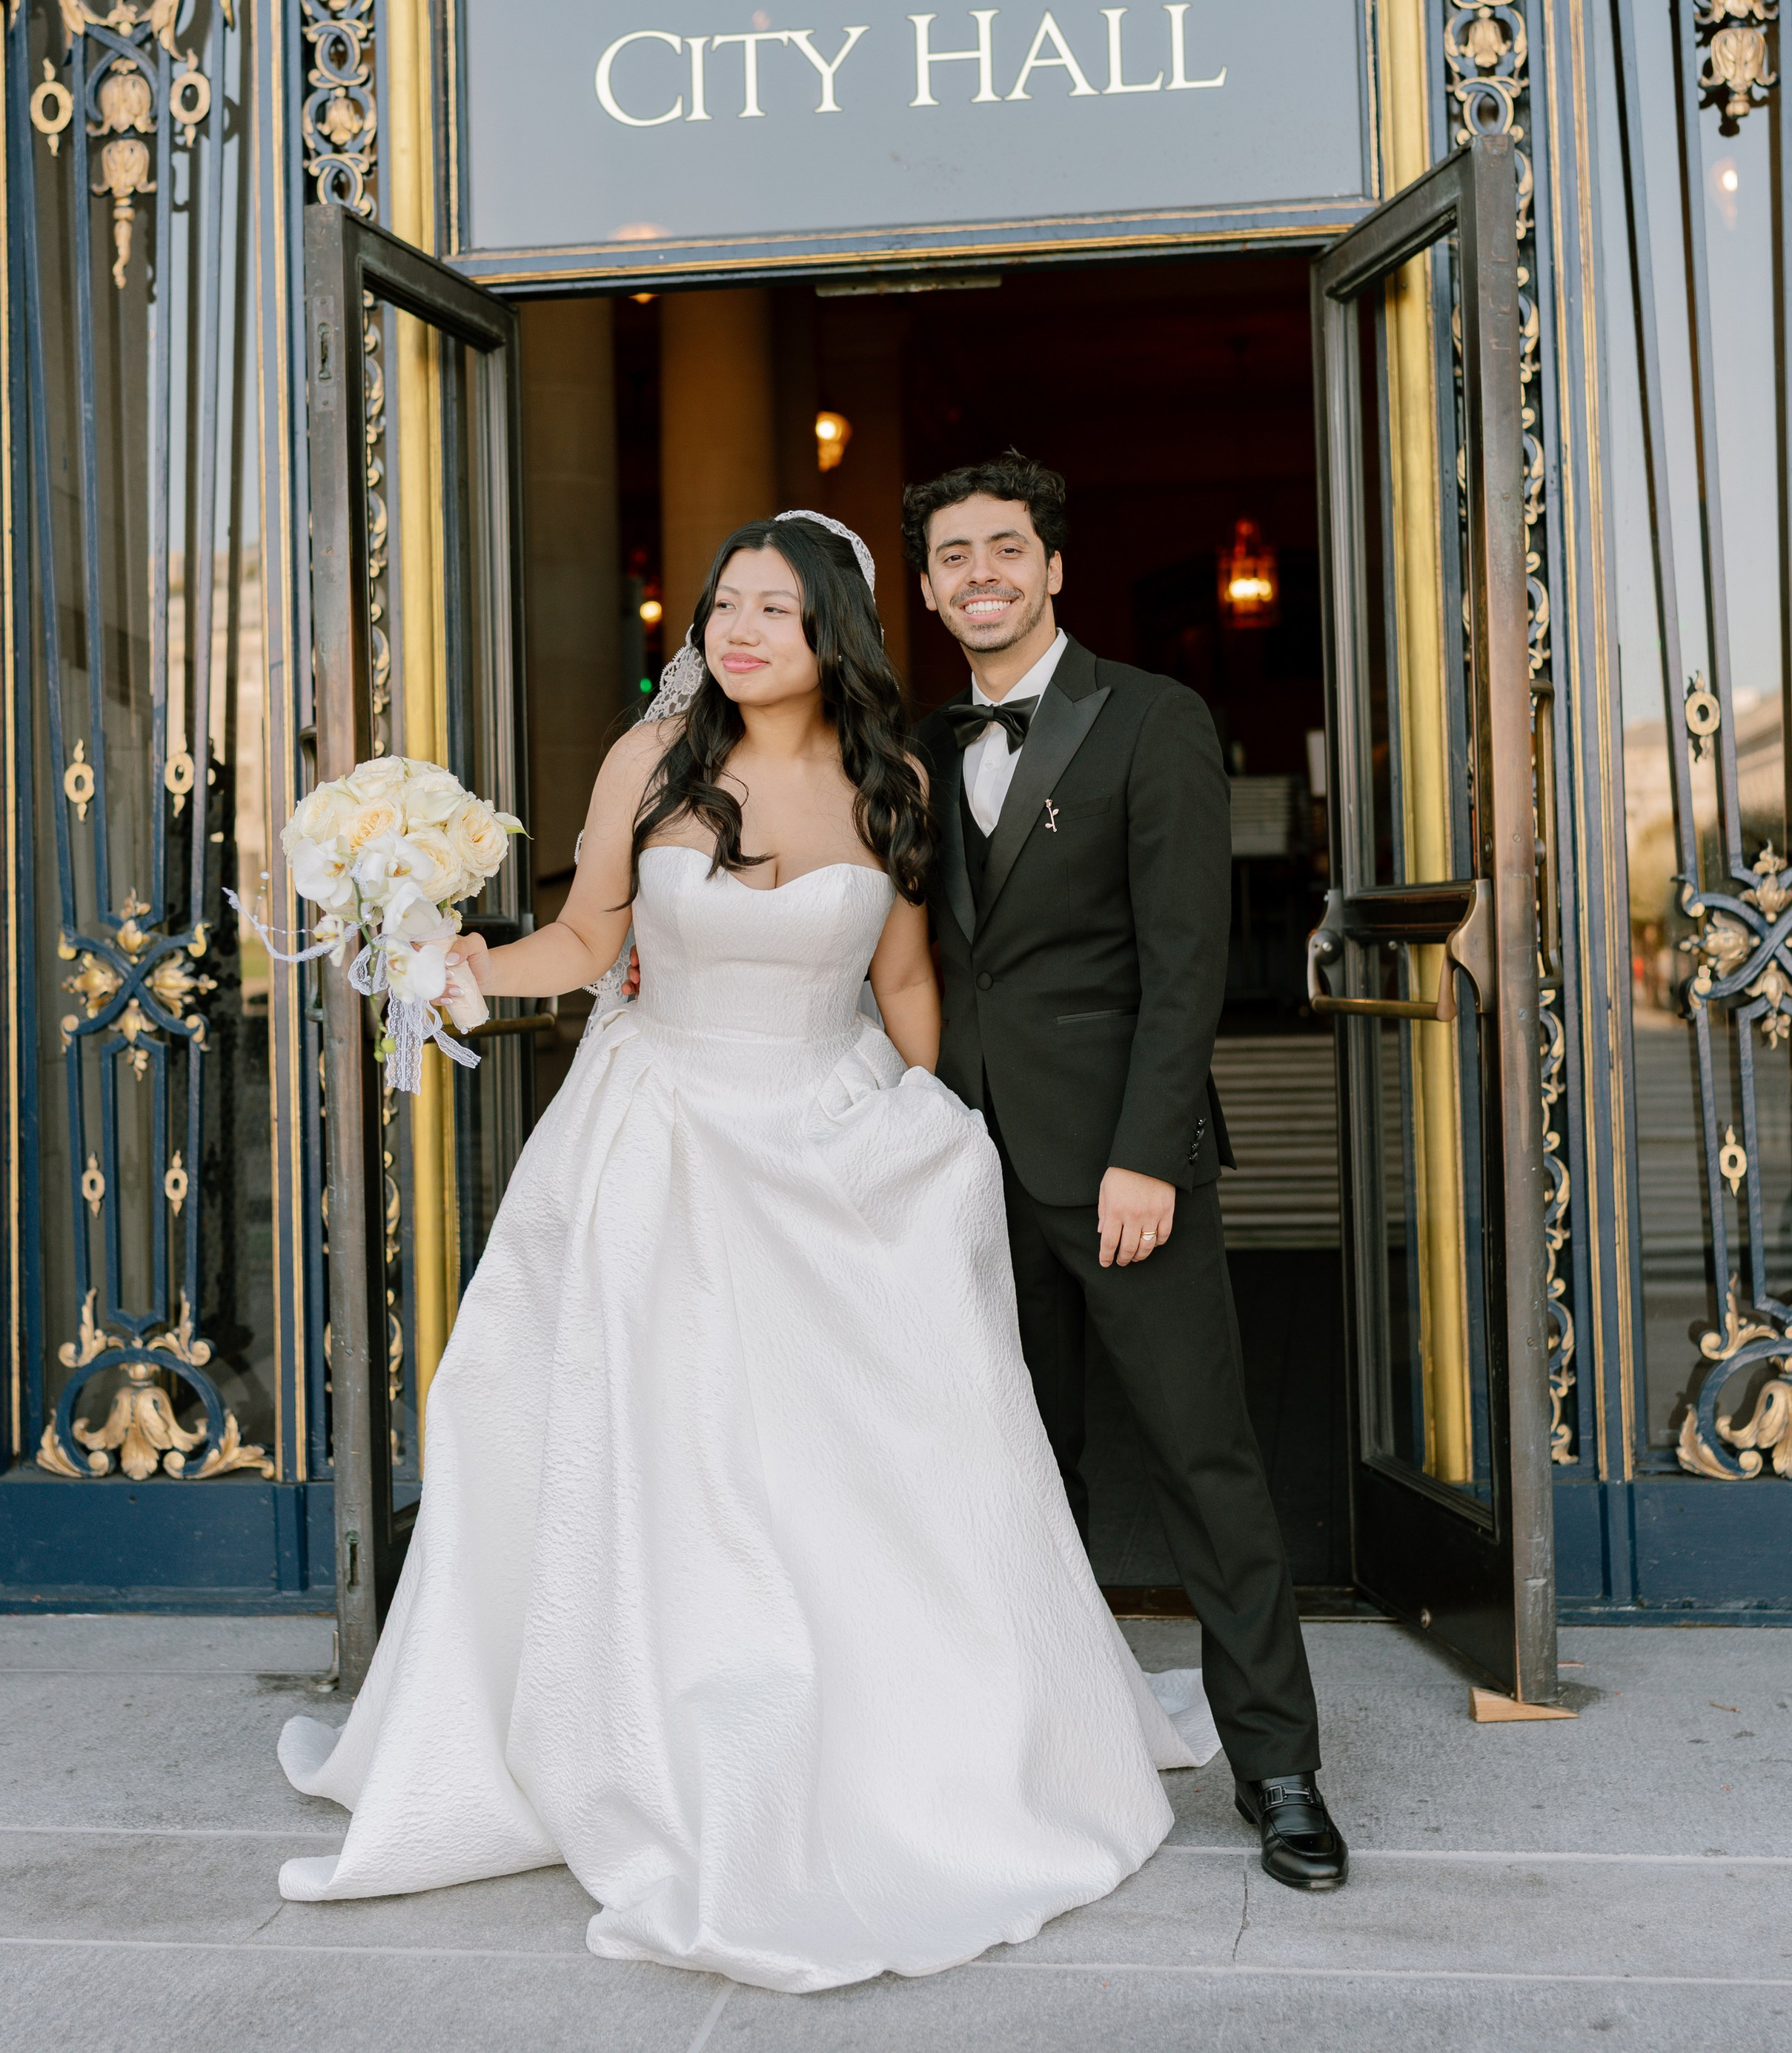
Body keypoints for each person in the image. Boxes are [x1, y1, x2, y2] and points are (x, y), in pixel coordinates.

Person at [273, 511, 1215, 1993]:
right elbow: (584, 942)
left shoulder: (892, 774)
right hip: (657, 1141)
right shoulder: (647, 763)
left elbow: (903, 974)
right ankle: (648, 1729)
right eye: (722, 606)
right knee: (662, 1451)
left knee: (855, 1463)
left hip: (836, 1140)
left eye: (772, 608)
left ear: (829, 625)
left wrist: (947, 1133)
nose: (738, 630)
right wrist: (457, 960)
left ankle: (908, 1739)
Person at [907, 454, 1348, 1894]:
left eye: (1003, 549)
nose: (978, 572)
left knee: (1202, 1457)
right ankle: (1024, 1751)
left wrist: (1146, 1154)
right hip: (955, 1165)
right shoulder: (906, 747)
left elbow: (1186, 963)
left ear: (1051, 569)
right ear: (923, 586)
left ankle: (1277, 1767)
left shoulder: (1151, 718)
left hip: (1119, 1167)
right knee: (1010, 1471)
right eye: (952, 555)